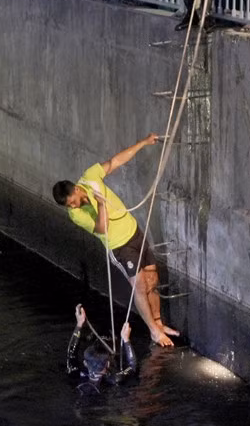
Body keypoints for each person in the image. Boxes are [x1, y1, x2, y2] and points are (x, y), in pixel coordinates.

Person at [52, 134, 178, 347]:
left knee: (152, 280)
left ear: (75, 190)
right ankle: (154, 332)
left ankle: (158, 322)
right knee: (139, 286)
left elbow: (116, 161)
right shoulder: (76, 215)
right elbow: (102, 228)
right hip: (119, 247)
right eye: (68, 206)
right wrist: (100, 206)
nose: (72, 207)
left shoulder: (91, 177)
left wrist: (144, 142)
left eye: (71, 202)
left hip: (135, 232)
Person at [67, 304, 137, 388]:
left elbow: (71, 352)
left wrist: (79, 324)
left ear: (85, 363)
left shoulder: (75, 372)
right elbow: (132, 367)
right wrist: (126, 339)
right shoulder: (115, 379)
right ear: (107, 364)